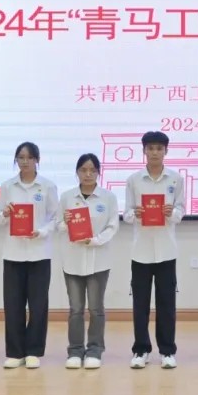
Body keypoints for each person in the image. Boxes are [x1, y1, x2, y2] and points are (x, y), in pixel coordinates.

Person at [0, 142, 59, 370]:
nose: (25, 161)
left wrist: (41, 232)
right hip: (13, 253)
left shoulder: (47, 186)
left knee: (38, 305)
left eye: (30, 157)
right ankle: (15, 352)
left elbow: (56, 218)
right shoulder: (7, 186)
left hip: (39, 253)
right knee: (13, 304)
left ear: (37, 160)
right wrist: (5, 213)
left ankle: (33, 351)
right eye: (20, 157)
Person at [122, 131, 184, 369]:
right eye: (151, 148)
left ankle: (167, 351)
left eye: (159, 148)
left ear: (166, 151)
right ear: (144, 151)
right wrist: (135, 214)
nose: (155, 152)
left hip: (167, 251)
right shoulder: (134, 180)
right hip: (141, 251)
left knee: (167, 304)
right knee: (140, 304)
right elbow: (127, 214)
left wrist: (172, 213)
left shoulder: (175, 179)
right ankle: (141, 350)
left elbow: (181, 211)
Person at [58, 153, 120, 370]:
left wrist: (95, 240)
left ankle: (95, 350)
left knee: (95, 308)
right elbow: (58, 225)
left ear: (98, 173)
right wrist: (66, 222)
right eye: (83, 170)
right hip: (72, 260)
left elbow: (113, 226)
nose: (87, 174)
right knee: (75, 309)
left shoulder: (108, 197)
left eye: (92, 170)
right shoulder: (67, 197)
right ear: (77, 172)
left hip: (98, 260)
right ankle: (75, 351)